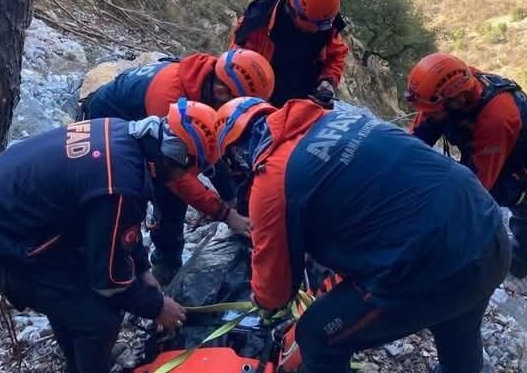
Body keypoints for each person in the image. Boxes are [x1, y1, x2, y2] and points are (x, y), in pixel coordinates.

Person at [214, 97, 510, 373]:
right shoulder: (334, 119)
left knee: (317, 335)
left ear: (236, 152)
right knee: (458, 326)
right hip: (487, 228)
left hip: (436, 264)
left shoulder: (271, 179)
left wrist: (266, 306)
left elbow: (274, 291)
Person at [0, 100, 220, 373]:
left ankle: (78, 359)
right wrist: (156, 306)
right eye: (189, 170)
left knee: (83, 295)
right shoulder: (121, 184)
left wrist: (142, 270)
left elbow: (116, 227)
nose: (183, 178)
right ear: (178, 155)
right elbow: (108, 279)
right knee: (99, 316)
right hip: (0, 246)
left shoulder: (122, 133)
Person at [81, 49, 273, 282]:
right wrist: (225, 214)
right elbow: (177, 178)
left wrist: (232, 197)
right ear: (222, 91)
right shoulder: (169, 99)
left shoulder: (210, 79)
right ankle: (161, 267)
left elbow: (213, 147)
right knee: (162, 195)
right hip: (109, 119)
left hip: (136, 108)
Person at [406, 52, 527, 280]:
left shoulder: (496, 118)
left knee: (514, 199)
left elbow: (478, 187)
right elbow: (416, 138)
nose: (428, 115)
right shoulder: (457, 87)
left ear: (457, 102)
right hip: (489, 138)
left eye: (434, 110)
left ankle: (519, 263)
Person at [231, 0, 349, 107]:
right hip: (263, 102)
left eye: (326, 25)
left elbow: (336, 55)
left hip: (305, 102)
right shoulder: (256, 23)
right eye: (317, 25)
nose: (321, 29)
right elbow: (235, 70)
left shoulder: (325, 20)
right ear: (294, 12)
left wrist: (327, 81)